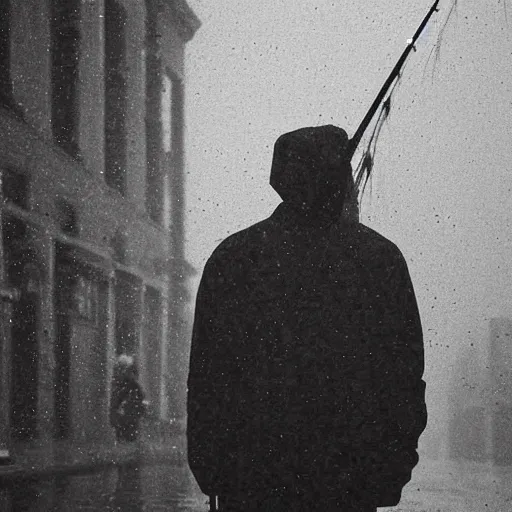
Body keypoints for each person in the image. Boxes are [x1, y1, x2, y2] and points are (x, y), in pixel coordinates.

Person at [187, 125, 427, 511]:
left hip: (251, 485)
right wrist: (387, 473)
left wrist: (213, 471)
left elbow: (208, 382)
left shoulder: (233, 259)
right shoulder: (379, 261)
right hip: (348, 485)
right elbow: (402, 379)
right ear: (339, 180)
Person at [111, 355, 146, 443]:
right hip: (124, 414)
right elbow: (116, 401)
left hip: (131, 413)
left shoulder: (133, 385)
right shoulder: (120, 385)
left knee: (130, 431)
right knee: (123, 431)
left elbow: (140, 397)